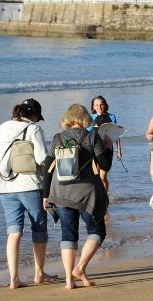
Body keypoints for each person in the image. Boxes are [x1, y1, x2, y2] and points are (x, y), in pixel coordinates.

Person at [42, 103, 113, 289]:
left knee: (68, 234)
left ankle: (68, 280)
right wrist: (108, 147)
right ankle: (80, 268)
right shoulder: (91, 136)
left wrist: (45, 195)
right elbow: (105, 165)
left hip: (60, 192)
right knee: (97, 231)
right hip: (85, 194)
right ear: (84, 119)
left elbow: (47, 169)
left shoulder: (57, 138)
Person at [0, 98, 56, 289]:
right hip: (29, 184)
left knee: (14, 230)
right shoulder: (33, 129)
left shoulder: (3, 127)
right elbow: (42, 158)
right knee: (39, 228)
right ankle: (39, 273)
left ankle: (14, 278)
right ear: (34, 115)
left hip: (5, 185)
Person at [91, 95, 122, 191]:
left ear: (105, 105)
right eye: (96, 105)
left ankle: (105, 197)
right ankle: (98, 195)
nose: (99, 107)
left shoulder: (111, 117)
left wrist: (119, 150)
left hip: (107, 150)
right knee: (96, 176)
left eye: (101, 104)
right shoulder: (91, 118)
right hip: (94, 150)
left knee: (103, 177)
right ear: (93, 107)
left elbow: (116, 134)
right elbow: (86, 135)